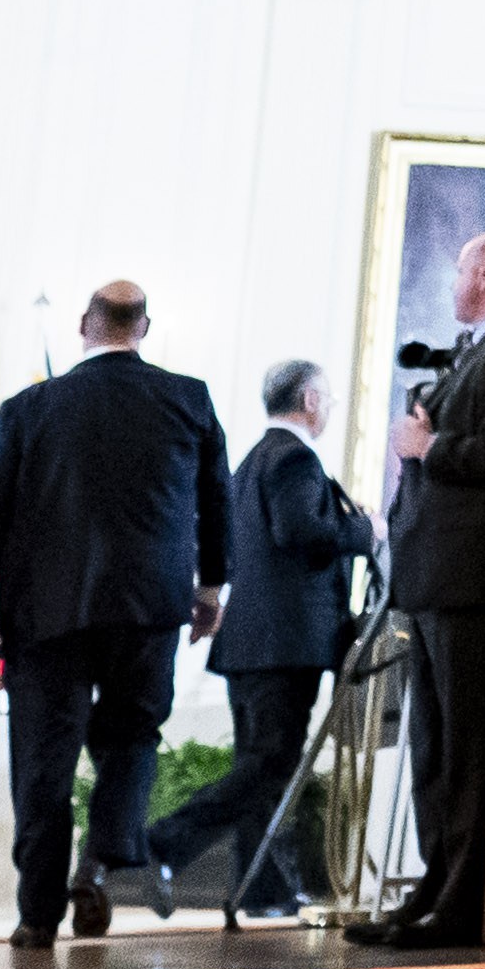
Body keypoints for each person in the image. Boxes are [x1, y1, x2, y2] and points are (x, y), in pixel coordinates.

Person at [0, 281, 231, 950]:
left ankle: (37, 916)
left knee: (43, 759)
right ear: (145, 328)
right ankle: (97, 865)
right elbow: (217, 498)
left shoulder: (29, 408)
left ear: (82, 325)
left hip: (47, 611)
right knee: (131, 739)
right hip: (148, 609)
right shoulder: (189, 399)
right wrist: (211, 589)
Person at [347, 231, 485, 951]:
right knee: (432, 748)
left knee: (465, 748)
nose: (454, 282)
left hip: (469, 577)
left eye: (459, 270)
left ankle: (462, 897)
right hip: (434, 577)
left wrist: (428, 446)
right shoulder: (476, 348)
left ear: (483, 275)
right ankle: (433, 882)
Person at [149, 358, 374, 917]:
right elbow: (301, 531)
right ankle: (162, 844)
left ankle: (262, 889)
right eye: (328, 399)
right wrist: (366, 530)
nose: (329, 409)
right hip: (284, 645)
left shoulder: (253, 459)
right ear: (311, 401)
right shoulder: (295, 458)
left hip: (251, 642)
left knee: (259, 766)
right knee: (270, 765)